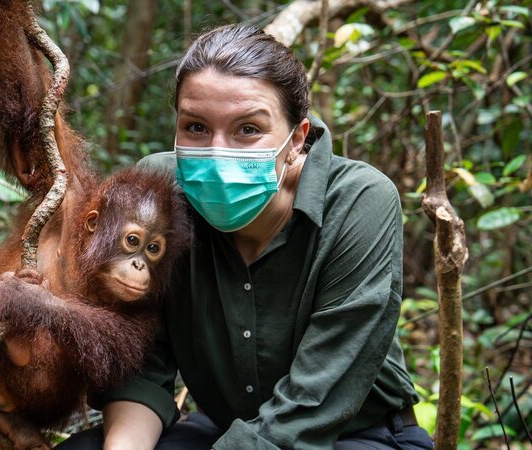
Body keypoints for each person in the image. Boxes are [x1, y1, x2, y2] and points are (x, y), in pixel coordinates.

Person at [58, 23, 434, 450]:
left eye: (248, 129)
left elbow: (316, 400)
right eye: (196, 127)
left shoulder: (359, 200)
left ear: (297, 139)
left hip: (354, 435)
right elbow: (146, 364)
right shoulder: (157, 195)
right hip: (223, 430)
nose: (218, 151)